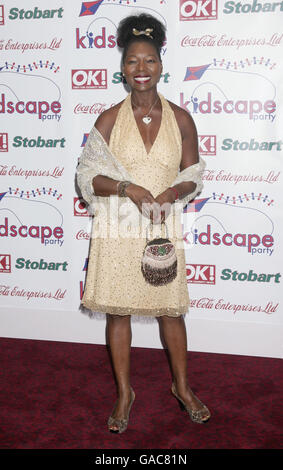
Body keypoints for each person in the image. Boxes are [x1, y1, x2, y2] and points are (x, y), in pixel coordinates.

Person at [76, 13, 210, 433]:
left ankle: (183, 388)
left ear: (161, 65)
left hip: (160, 227)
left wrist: (170, 194)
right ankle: (124, 393)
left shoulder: (182, 119)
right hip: (117, 229)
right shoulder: (108, 119)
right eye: (132, 61)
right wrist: (128, 188)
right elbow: (86, 176)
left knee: (171, 313)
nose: (141, 69)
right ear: (122, 67)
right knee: (118, 313)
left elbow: (192, 174)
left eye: (149, 60)